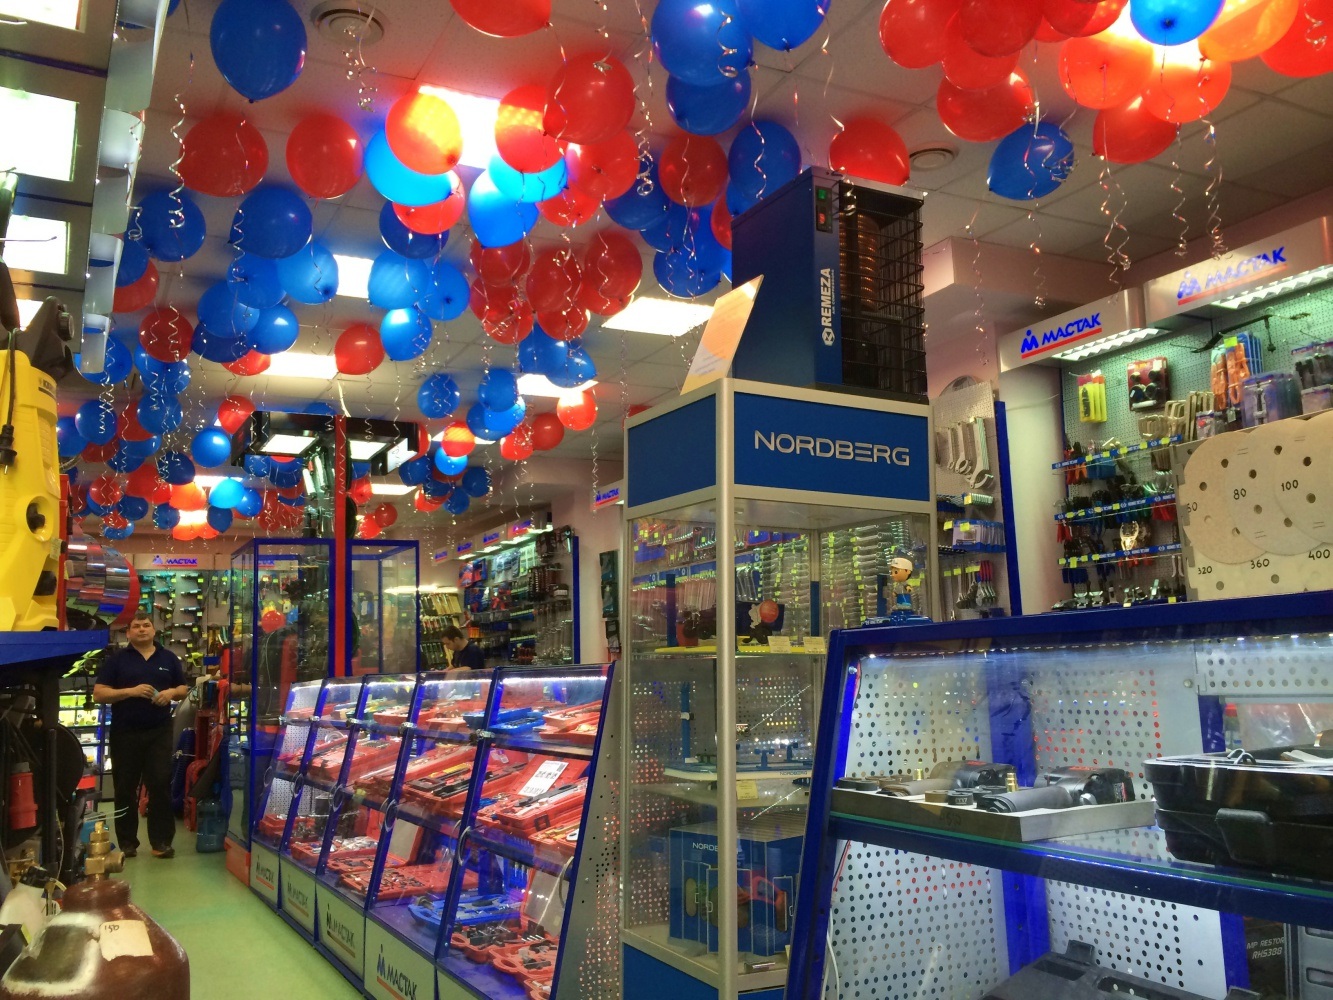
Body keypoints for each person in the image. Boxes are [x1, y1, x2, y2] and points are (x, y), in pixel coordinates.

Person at [94, 612, 190, 859]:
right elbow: (99, 694)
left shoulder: (168, 658)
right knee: (125, 788)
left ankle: (161, 842)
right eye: (136, 626)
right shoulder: (117, 660)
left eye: (146, 625)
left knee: (160, 785)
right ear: (128, 633)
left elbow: (183, 688)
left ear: (154, 630)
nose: (142, 629)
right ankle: (127, 843)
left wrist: (170, 693)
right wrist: (131, 691)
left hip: (159, 731)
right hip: (125, 733)